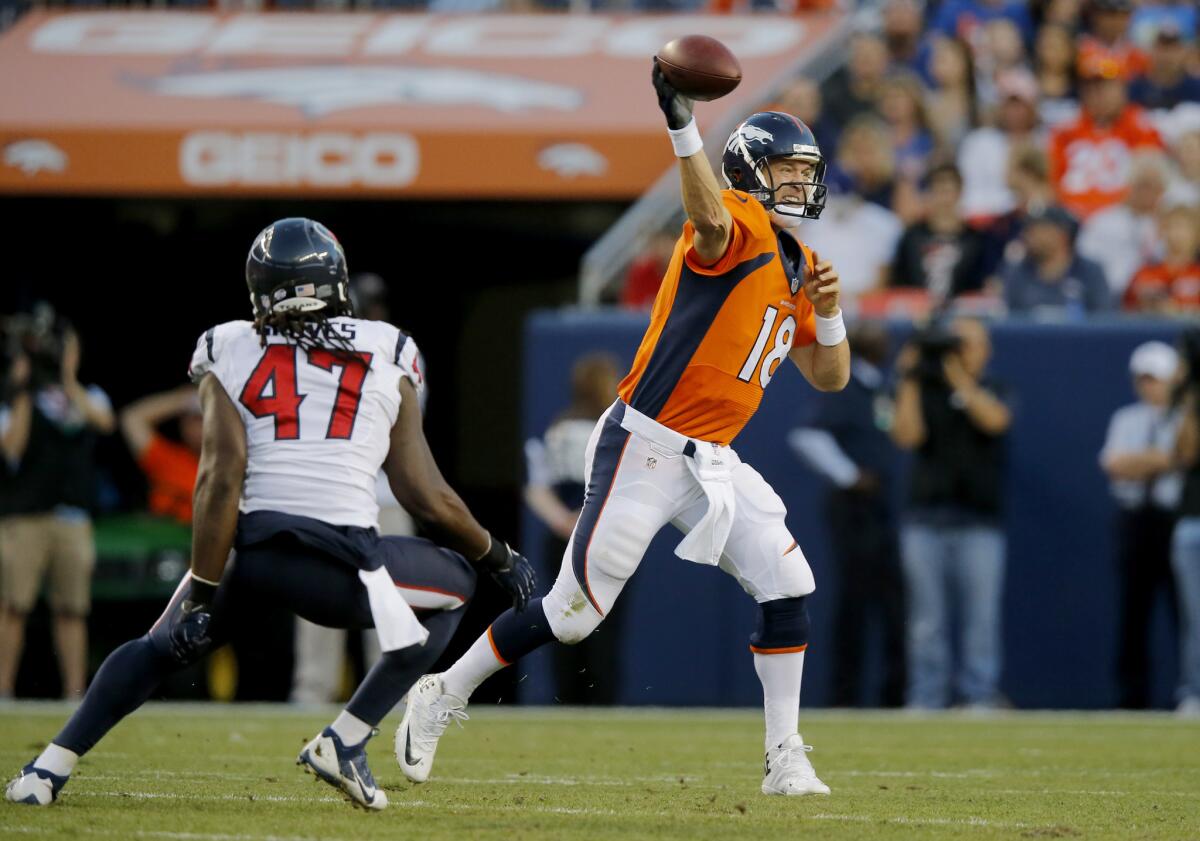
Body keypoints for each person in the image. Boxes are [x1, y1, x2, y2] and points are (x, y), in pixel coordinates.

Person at [397, 66, 850, 797]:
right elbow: (705, 217)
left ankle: (785, 755)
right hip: (647, 442)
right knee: (573, 615)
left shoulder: (803, 264)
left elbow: (829, 376)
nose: (799, 183)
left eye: (806, 171)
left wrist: (829, 313)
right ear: (748, 171)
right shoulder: (735, 222)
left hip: (714, 460)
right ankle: (443, 689)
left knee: (788, 581)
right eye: (786, 169)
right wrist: (682, 124)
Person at [4, 218, 535, 810]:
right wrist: (495, 554)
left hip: (250, 555)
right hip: (341, 567)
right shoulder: (389, 349)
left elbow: (219, 475)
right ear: (336, 282)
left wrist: (204, 592)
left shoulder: (229, 344)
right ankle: (347, 737)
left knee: (158, 647)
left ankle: (45, 772)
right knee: (456, 585)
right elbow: (422, 494)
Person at [891, 317, 1012, 709]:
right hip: (926, 518)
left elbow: (995, 421)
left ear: (986, 349)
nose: (960, 349)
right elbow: (907, 436)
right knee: (926, 621)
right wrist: (909, 376)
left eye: (968, 343)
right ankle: (927, 698)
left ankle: (979, 696)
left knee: (981, 620)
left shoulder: (996, 387)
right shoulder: (923, 389)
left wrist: (958, 376)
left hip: (979, 521)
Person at [788, 322, 905, 707]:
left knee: (890, 601)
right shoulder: (846, 383)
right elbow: (808, 435)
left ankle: (893, 695)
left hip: (882, 507)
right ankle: (846, 695)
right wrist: (850, 475)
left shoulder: (880, 386)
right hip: (854, 509)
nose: (882, 340)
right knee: (854, 600)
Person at [0, 306, 113, 701]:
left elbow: (103, 423)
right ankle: (4, 689)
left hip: (72, 516)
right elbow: (11, 448)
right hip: (24, 517)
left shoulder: (86, 394)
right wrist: (22, 390)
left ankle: (73, 692)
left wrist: (67, 379)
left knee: (72, 608)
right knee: (13, 604)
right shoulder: (14, 397)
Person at [524, 353, 624, 704]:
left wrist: (562, 520)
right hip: (607, 537)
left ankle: (566, 699)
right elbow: (614, 485)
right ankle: (601, 699)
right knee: (604, 623)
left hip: (563, 535)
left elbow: (536, 486)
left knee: (561, 616)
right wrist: (584, 520)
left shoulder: (557, 428)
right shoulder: (613, 426)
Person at [1099, 341, 1182, 709]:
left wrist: (1146, 461)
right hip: (1134, 521)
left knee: (1188, 612)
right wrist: (1161, 460)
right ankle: (1132, 698)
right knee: (1133, 615)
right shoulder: (1125, 418)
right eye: (1144, 379)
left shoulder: (1186, 418)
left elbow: (1182, 458)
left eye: (1156, 378)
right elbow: (1114, 464)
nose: (1149, 386)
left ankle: (1192, 691)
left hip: (1174, 521)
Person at [1049, 52, 1164, 220]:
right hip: (1069, 219)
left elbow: (1150, 183)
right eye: (1091, 87)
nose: (1098, 93)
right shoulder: (1065, 131)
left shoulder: (1140, 127)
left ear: (1123, 88)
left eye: (1105, 85)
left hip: (1124, 218)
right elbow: (1050, 180)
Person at [890, 164, 991, 304]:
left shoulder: (976, 241)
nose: (944, 199)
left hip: (962, 317)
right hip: (916, 317)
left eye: (948, 191)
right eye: (938, 191)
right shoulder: (911, 238)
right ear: (929, 193)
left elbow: (981, 287)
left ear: (959, 193)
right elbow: (898, 283)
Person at [1077, 152, 1169, 299]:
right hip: (1109, 295)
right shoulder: (1104, 220)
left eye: (1155, 186)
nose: (1148, 192)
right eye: (1143, 185)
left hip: (1152, 299)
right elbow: (1085, 261)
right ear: (1130, 186)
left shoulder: (1167, 225)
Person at [1002, 204, 1112, 316]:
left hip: (1078, 334)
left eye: (1037, 229)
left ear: (1062, 235)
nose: (1028, 235)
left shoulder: (1090, 272)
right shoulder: (1017, 272)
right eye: (1028, 229)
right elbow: (1009, 317)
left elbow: (1104, 318)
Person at [119, 385, 202, 525]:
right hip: (166, 540)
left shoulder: (236, 463)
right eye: (194, 420)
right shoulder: (168, 459)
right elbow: (132, 418)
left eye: (206, 419)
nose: (200, 428)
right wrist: (184, 400)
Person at [1172, 334, 1200, 717]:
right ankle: (1194, 690)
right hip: (1192, 517)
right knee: (1195, 617)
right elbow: (1186, 451)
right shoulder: (1187, 399)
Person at [1123, 204, 1200, 313]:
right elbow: (1126, 309)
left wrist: (1179, 310)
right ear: (1162, 231)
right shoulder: (1145, 273)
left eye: (1184, 228)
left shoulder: (1197, 273)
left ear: (1196, 234)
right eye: (1171, 227)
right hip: (1152, 328)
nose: (1177, 234)